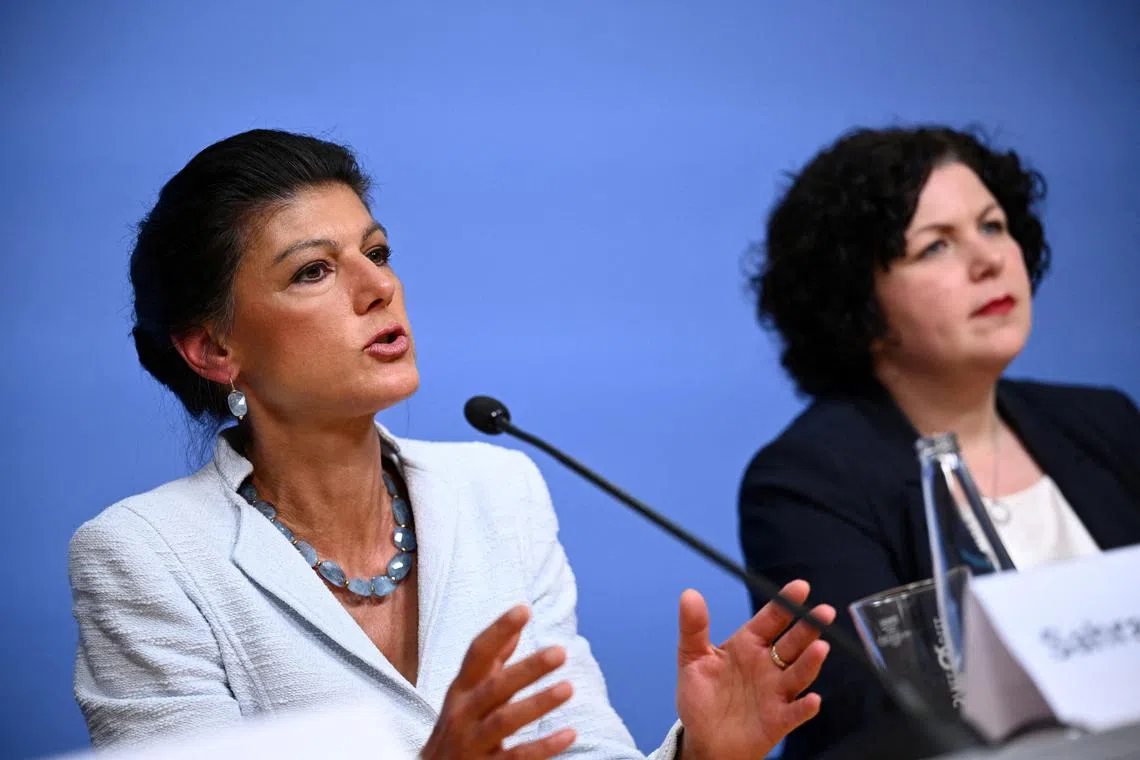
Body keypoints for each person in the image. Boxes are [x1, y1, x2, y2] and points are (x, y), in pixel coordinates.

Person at [69, 128, 836, 759]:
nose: (377, 287)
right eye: (313, 271)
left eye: (377, 251)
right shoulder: (145, 557)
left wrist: (700, 755)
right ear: (213, 349)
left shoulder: (498, 491)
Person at [738, 125, 1140, 760]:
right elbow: (870, 720)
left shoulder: (1104, 424)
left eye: (992, 225)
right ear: (857, 305)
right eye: (935, 247)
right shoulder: (806, 484)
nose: (989, 259)